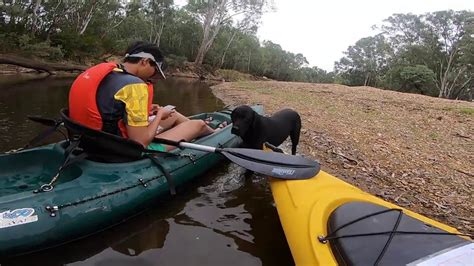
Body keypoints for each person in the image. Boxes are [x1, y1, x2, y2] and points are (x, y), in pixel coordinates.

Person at [69, 41, 222, 152]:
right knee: (198, 124)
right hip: (118, 150)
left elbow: (108, 110)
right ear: (144, 62)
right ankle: (209, 133)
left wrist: (148, 111)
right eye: (155, 71)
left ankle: (209, 133)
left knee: (173, 115)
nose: (154, 78)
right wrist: (160, 114)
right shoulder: (135, 86)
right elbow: (140, 142)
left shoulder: (108, 74)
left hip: (89, 141)